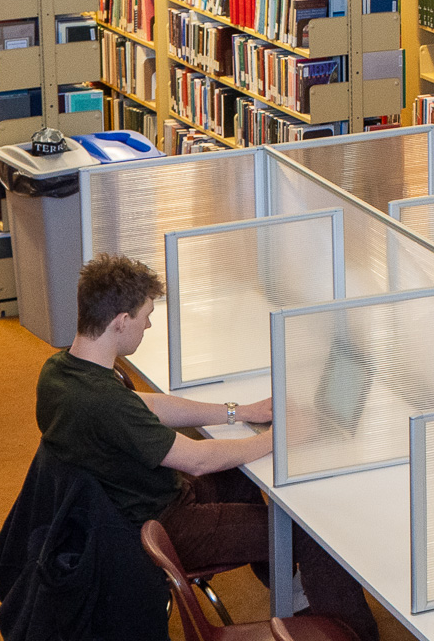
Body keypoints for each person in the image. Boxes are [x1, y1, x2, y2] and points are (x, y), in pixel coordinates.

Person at [35, 255, 379, 641]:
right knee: (314, 533)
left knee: (239, 478)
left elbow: (150, 405)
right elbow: (196, 460)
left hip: (137, 497)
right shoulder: (102, 403)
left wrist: (238, 411)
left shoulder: (60, 372)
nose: (149, 324)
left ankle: (295, 595)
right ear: (121, 321)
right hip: (163, 521)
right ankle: (355, 633)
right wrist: (278, 439)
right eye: (145, 316)